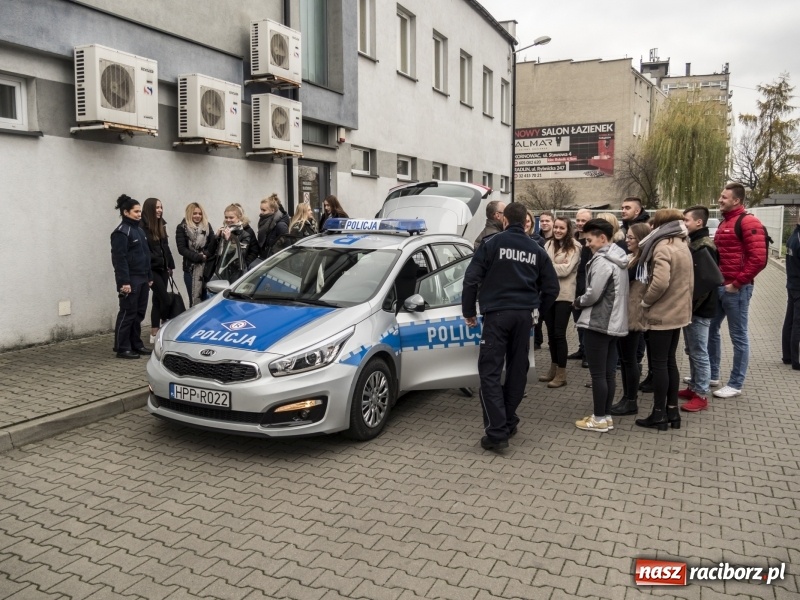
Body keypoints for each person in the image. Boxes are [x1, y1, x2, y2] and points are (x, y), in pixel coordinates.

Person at [462, 202, 559, 450]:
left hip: (497, 316)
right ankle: (508, 421)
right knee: (518, 369)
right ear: (528, 221)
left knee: (490, 372)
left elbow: (471, 279)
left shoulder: (491, 243)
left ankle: (496, 433)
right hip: (524, 317)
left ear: (504, 220)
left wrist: (468, 312)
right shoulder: (536, 249)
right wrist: (537, 310)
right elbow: (552, 288)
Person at [634, 208, 693, 431]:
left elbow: (659, 282)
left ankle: (658, 415)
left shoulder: (662, 246)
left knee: (659, 364)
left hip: (662, 312)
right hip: (678, 312)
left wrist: (646, 302)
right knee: (669, 361)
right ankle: (672, 412)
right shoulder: (682, 244)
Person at [708, 183, 768, 398]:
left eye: (724, 197)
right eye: (720, 195)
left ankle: (735, 384)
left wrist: (737, 284)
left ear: (737, 200)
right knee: (710, 330)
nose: (720, 199)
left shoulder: (748, 221)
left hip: (736, 290)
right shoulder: (727, 221)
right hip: (721, 287)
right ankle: (712, 375)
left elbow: (759, 259)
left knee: (738, 337)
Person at [573, 219, 629, 432]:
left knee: (598, 374)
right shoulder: (619, 257)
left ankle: (598, 419)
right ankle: (605, 416)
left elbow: (593, 293)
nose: (587, 244)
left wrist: (578, 301)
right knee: (608, 373)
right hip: (614, 322)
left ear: (602, 238)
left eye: (589, 240)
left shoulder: (602, 261)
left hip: (599, 322)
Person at [679, 206, 722, 412]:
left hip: (699, 309)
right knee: (692, 349)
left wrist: (692, 305)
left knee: (699, 351)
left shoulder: (704, 246)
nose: (683, 223)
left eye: (686, 220)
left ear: (699, 222)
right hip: (693, 307)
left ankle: (701, 394)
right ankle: (694, 386)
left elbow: (707, 282)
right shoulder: (695, 242)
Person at [609, 222, 650, 417]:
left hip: (632, 315)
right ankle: (626, 398)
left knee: (629, 359)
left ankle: (631, 400)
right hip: (627, 313)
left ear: (641, 240)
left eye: (631, 238)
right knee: (625, 360)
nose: (627, 240)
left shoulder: (640, 261)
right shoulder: (633, 258)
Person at [539, 217, 581, 388]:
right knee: (550, 335)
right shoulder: (547, 244)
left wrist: (547, 266)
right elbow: (539, 265)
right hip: (549, 294)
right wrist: (552, 265)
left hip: (565, 295)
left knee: (559, 334)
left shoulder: (575, 246)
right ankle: (553, 368)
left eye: (561, 228)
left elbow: (566, 270)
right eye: (555, 227)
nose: (557, 230)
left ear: (568, 229)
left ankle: (562, 374)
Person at [110, 194, 152, 359]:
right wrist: (124, 282)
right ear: (125, 212)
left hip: (142, 278)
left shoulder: (139, 230)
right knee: (128, 312)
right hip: (131, 280)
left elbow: (146, 255)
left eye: (139, 211)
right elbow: (119, 260)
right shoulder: (121, 233)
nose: (139, 214)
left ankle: (136, 344)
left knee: (139, 314)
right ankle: (122, 347)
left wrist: (149, 276)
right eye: (136, 211)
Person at [141, 197, 176, 344]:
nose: (160, 210)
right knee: (165, 300)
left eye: (161, 207)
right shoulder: (142, 228)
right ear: (149, 209)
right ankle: (164, 326)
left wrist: (170, 265)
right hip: (152, 269)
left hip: (163, 268)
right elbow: (144, 251)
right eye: (157, 208)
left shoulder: (161, 225)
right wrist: (154, 263)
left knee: (157, 301)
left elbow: (166, 247)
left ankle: (154, 333)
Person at [175, 202, 216, 307]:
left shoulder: (207, 226)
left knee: (206, 300)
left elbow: (213, 244)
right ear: (189, 214)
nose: (197, 216)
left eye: (199, 213)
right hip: (190, 270)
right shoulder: (182, 227)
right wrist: (198, 257)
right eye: (194, 213)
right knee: (194, 300)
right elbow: (182, 249)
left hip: (206, 270)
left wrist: (205, 254)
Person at [568, 208, 593, 367]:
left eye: (583, 220)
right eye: (578, 220)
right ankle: (581, 349)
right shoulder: (573, 239)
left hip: (586, 288)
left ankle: (588, 355)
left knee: (586, 324)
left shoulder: (591, 242)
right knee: (578, 322)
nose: (579, 223)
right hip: (573, 287)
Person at [215, 204, 255, 283]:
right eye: (226, 217)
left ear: (239, 218)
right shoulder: (224, 231)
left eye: (231, 217)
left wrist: (229, 239)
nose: (228, 220)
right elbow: (216, 252)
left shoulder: (245, 234)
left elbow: (241, 254)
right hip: (222, 270)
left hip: (236, 272)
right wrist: (216, 237)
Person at [250, 194, 290, 264]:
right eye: (261, 209)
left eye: (264, 210)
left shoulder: (280, 225)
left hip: (276, 263)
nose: (261, 212)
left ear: (272, 210)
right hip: (266, 260)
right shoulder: (265, 221)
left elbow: (287, 248)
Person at [784, 212, 800, 370]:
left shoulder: (792, 237)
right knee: (797, 323)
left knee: (789, 321)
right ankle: (797, 360)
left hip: (792, 283)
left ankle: (787, 355)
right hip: (797, 285)